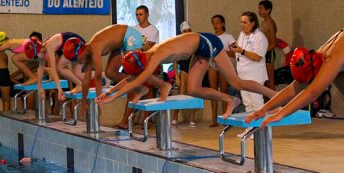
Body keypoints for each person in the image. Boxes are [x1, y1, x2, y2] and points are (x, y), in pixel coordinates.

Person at [97, 31, 278, 119]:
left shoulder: (156, 55)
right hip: (197, 49)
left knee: (236, 82)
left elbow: (139, 78)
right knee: (193, 89)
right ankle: (230, 100)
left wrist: (114, 97)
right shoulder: (146, 55)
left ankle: (276, 98)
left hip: (208, 43)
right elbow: (132, 78)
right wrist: (112, 91)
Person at [74, 24, 171, 129]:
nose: (77, 62)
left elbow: (97, 79)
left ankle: (127, 118)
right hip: (120, 43)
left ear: (81, 52)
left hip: (130, 36)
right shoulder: (88, 51)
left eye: (76, 59)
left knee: (135, 74)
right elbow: (86, 79)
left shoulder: (94, 49)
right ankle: (137, 87)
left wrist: (99, 103)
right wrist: (84, 102)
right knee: (110, 73)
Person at [234, 12, 271, 113]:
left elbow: (257, 57)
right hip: (242, 76)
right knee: (247, 104)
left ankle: (263, 128)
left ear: (253, 23)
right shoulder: (242, 34)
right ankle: (250, 128)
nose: (242, 25)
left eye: (245, 22)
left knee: (257, 103)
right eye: (241, 22)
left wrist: (242, 51)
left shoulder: (260, 36)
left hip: (255, 76)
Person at [208, 15, 237, 127]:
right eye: (213, 23)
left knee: (224, 91)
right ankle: (214, 119)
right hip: (213, 64)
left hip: (224, 64)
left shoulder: (228, 37)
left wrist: (223, 52)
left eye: (218, 23)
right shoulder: (211, 37)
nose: (216, 25)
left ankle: (226, 117)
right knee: (213, 92)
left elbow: (235, 53)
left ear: (223, 23)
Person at [174, 21, 198, 126]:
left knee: (193, 94)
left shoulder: (195, 42)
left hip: (193, 70)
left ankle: (192, 119)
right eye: (185, 31)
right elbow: (174, 61)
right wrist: (176, 76)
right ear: (181, 33)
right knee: (182, 93)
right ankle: (174, 117)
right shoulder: (178, 44)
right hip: (183, 70)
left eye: (189, 31)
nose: (187, 32)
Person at [258, 0, 279, 90]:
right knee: (264, 81)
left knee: (270, 81)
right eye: (258, 8)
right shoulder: (263, 23)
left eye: (261, 8)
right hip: (263, 53)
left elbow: (274, 44)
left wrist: (262, 52)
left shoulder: (271, 24)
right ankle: (267, 102)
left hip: (269, 53)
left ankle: (276, 103)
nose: (259, 11)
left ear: (268, 10)